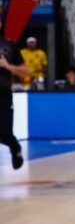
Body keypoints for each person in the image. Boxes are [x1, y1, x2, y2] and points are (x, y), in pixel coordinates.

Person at [0, 17, 29, 169]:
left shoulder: (9, 46)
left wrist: (8, 66)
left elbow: (26, 71)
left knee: (4, 133)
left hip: (4, 96)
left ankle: (14, 147)